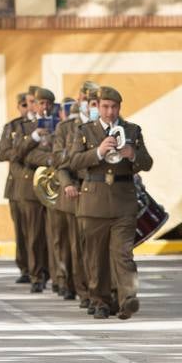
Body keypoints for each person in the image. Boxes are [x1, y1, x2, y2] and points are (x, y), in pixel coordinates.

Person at [66, 86, 154, 320]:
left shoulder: (132, 130)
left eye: (114, 107)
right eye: (105, 106)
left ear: (119, 108)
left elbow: (147, 162)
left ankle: (128, 298)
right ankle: (100, 300)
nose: (110, 111)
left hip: (123, 200)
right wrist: (97, 152)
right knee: (95, 257)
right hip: (93, 200)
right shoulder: (84, 131)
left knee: (123, 253)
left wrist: (132, 154)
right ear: (97, 106)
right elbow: (73, 162)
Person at [55, 82, 100, 308]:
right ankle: (84, 292)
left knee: (98, 247)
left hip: (100, 194)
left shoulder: (106, 125)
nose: (92, 105)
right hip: (76, 193)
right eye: (88, 101)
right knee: (78, 246)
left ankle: (101, 291)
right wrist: (68, 184)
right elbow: (60, 161)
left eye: (95, 102)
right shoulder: (67, 128)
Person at [19, 88, 59, 294]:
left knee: (54, 235)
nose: (44, 107)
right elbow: (21, 154)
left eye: (47, 104)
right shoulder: (25, 127)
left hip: (54, 187)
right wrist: (34, 137)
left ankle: (57, 277)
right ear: (34, 105)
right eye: (40, 103)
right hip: (31, 188)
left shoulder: (60, 125)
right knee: (34, 235)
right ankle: (36, 276)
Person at [0, 91, 32, 285]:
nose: (28, 108)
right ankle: (25, 268)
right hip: (16, 186)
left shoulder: (43, 126)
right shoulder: (13, 127)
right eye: (24, 105)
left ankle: (40, 269)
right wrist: (21, 151)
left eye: (30, 104)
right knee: (22, 230)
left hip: (35, 186)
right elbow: (2, 153)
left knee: (39, 232)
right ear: (19, 107)